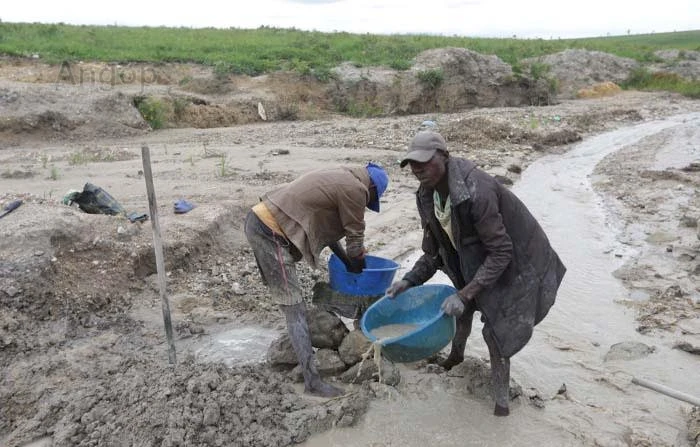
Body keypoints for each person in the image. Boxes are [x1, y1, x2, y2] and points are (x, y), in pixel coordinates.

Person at [386, 131, 565, 416]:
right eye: (412, 164)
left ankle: (501, 404)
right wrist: (408, 281)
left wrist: (466, 292)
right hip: (472, 259)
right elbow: (433, 252)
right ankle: (456, 358)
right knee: (461, 311)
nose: (417, 169)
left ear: (444, 156)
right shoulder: (426, 195)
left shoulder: (476, 190)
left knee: (497, 331)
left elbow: (502, 252)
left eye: (424, 161)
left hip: (517, 261)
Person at [244, 162, 389, 397]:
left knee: (294, 306)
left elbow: (330, 234)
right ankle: (312, 381)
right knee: (295, 309)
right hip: (268, 231)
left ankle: (304, 361)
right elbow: (355, 244)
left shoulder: (340, 177)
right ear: (371, 188)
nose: (366, 203)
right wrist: (361, 269)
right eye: (370, 200)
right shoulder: (356, 189)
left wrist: (345, 262)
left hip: (265, 222)